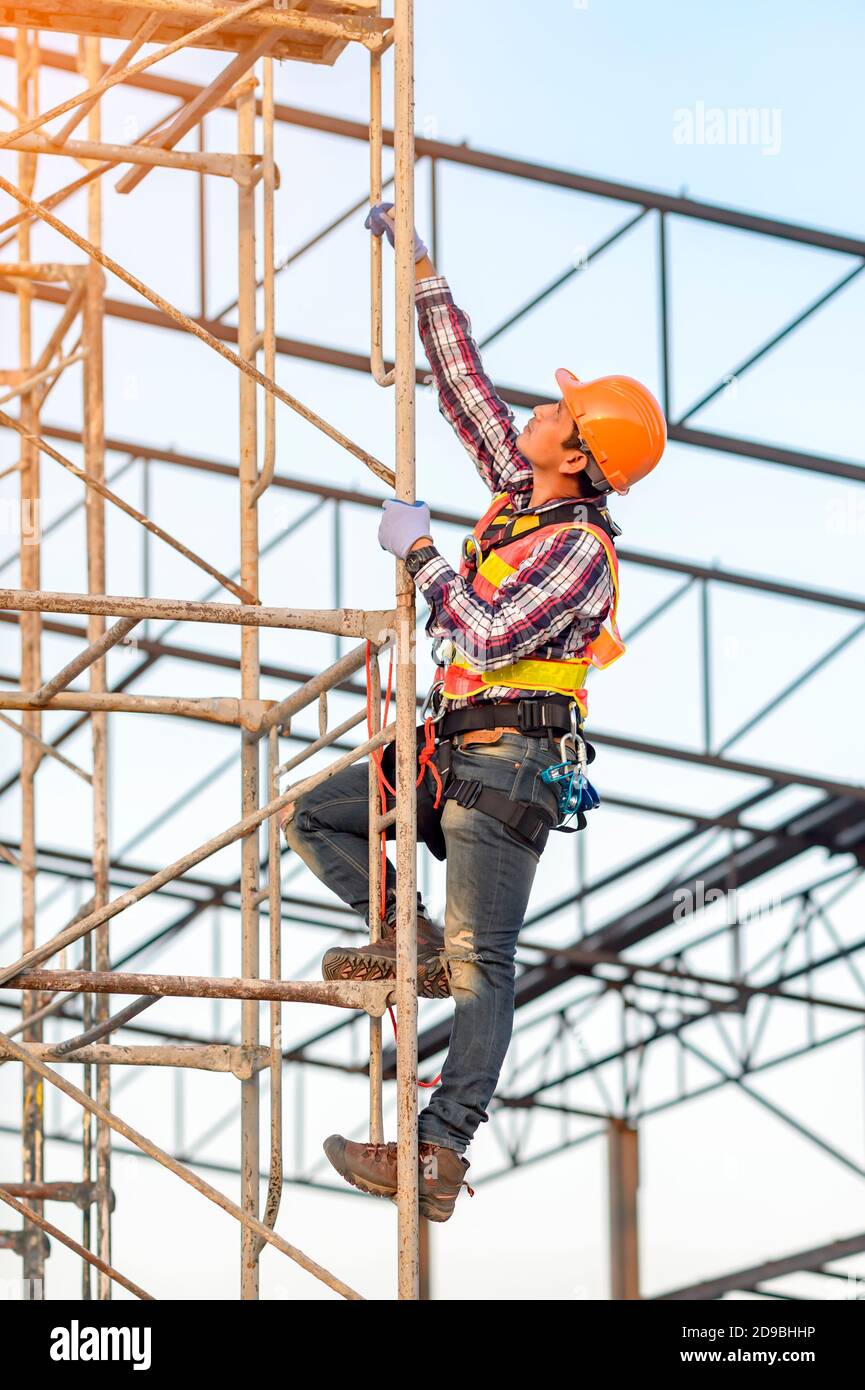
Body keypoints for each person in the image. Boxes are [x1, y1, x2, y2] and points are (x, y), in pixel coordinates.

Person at [281, 203, 666, 1222]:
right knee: (319, 816)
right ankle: (395, 930)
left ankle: (437, 1153)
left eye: (554, 416)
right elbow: (463, 391)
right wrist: (419, 269)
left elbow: (487, 633)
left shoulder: (578, 546)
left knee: (479, 964)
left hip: (506, 767)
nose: (534, 414)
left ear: (578, 457)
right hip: (455, 747)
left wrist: (416, 553)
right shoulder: (524, 492)